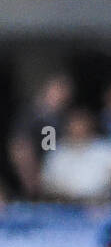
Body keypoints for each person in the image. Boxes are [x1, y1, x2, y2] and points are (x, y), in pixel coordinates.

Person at [40, 107, 111, 202]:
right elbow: (47, 182)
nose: (78, 128)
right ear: (67, 126)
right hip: (67, 206)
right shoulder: (57, 154)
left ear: (90, 125)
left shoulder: (106, 149)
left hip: (103, 206)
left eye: (82, 124)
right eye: (75, 124)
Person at [7, 71, 74, 199]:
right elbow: (20, 148)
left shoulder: (61, 117)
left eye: (66, 92)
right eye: (60, 90)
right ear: (48, 90)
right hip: (31, 179)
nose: (64, 96)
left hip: (56, 178)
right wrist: (31, 178)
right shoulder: (31, 115)